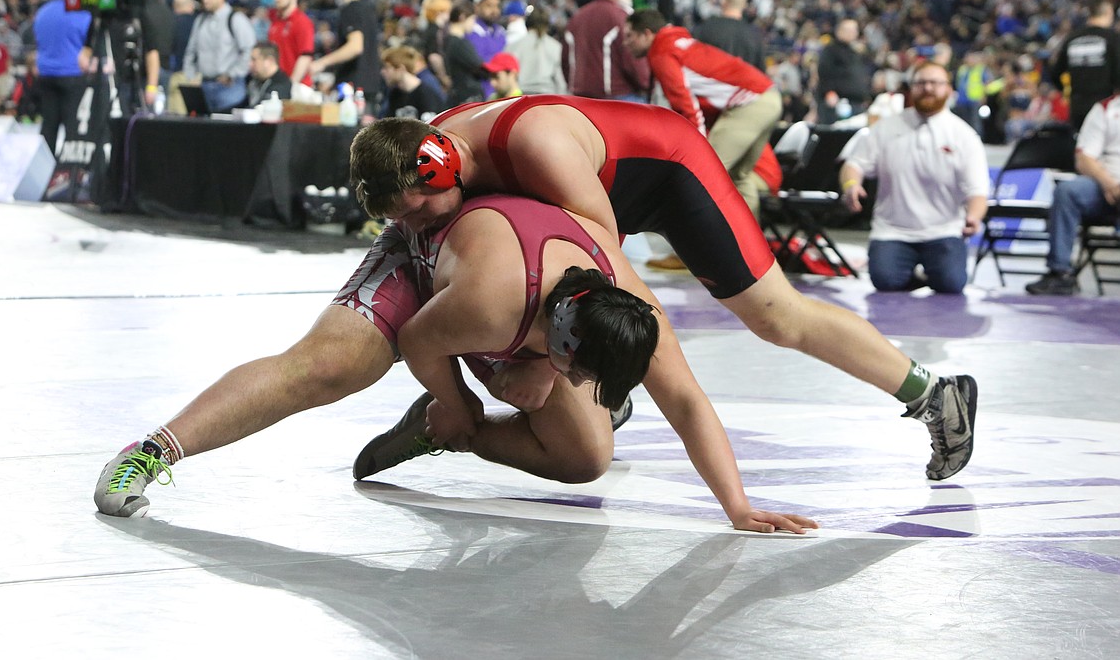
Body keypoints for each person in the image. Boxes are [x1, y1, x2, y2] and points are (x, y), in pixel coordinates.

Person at [93, 169, 814, 534]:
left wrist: (737, 505)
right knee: (324, 369)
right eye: (587, 376)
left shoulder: (625, 304)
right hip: (427, 267)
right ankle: (152, 450)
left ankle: (447, 437)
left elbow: (685, 398)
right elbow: (415, 339)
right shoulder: (492, 301)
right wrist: (458, 399)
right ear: (560, 343)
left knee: (586, 458)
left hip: (519, 315)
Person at [351, 100, 978, 483]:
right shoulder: (428, 155)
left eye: (418, 209)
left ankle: (934, 392)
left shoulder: (531, 146)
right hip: (594, 191)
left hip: (667, 173)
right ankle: (593, 398)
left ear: (443, 166)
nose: (415, 226)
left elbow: (602, 255)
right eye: (399, 218)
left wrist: (555, 358)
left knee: (776, 317)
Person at [839, 62, 990, 294]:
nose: (928, 88)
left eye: (935, 83)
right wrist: (851, 185)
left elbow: (978, 190)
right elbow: (853, 164)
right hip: (892, 230)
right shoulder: (885, 128)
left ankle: (933, 269)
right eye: (921, 83)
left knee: (951, 283)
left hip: (943, 230)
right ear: (911, 89)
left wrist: (973, 217)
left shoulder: (964, 136)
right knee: (885, 280)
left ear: (949, 90)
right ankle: (910, 271)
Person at [624, 8, 782, 219]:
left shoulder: (662, 51)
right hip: (768, 96)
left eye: (629, 36)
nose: (626, 43)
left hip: (748, 103)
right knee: (739, 177)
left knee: (703, 175)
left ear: (646, 33)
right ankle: (751, 248)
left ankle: (708, 247)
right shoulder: (678, 41)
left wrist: (696, 146)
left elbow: (686, 104)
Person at [1025, 94, 1120, 295]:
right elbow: (1084, 159)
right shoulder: (1105, 109)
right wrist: (1110, 185)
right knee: (1067, 192)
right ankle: (1060, 273)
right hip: (1104, 187)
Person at [561, 0, 649, 102]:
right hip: (619, 97)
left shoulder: (577, 17)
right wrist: (646, 83)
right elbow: (633, 57)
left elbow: (565, 59)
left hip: (580, 97)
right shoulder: (622, 17)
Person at [310, 0, 382, 108]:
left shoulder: (351, 9)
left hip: (354, 91)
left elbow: (355, 47)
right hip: (368, 86)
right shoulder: (367, 7)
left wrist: (321, 63)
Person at [1047, 0, 1120, 131]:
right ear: (1108, 12)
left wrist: (1067, 92)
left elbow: (1055, 73)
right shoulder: (1112, 38)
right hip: (1104, 107)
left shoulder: (1073, 38)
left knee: (1081, 147)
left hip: (1077, 107)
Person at [33, 0, 91, 158]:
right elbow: (88, 41)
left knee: (48, 126)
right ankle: (68, 167)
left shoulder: (43, 12)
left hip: (45, 75)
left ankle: (43, 165)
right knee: (73, 126)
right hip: (72, 74)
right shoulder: (81, 13)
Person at [182, 0, 255, 112]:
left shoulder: (236, 19)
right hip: (204, 85)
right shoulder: (201, 20)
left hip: (230, 88)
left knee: (227, 129)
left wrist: (233, 73)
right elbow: (190, 52)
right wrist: (190, 76)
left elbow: (249, 51)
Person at [693, 0, 765, 70]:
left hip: (711, 81)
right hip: (740, 83)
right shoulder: (754, 37)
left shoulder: (705, 28)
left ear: (723, 0)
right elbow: (760, 76)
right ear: (744, 5)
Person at [816, 18, 873, 123]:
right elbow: (824, 71)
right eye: (850, 30)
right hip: (839, 102)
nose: (854, 33)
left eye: (855, 30)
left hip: (856, 103)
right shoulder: (831, 50)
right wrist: (829, 92)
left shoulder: (854, 52)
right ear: (840, 31)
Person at [505, 5, 566, 96]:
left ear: (527, 24)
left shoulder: (513, 46)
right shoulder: (556, 47)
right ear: (547, 25)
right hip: (548, 98)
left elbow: (506, 78)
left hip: (521, 97)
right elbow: (560, 83)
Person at [267, 0, 315, 86]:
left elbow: (305, 56)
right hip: (278, 84)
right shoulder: (275, 23)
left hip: (297, 87)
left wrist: (291, 85)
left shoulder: (302, 22)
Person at [380, 45, 445, 121]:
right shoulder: (395, 94)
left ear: (400, 69)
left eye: (387, 68)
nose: (383, 72)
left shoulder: (426, 94)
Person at [465, 0, 507, 98]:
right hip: (478, 93)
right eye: (489, 5)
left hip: (500, 92)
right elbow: (479, 63)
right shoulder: (471, 29)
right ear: (477, 6)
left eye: (497, 6)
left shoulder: (500, 31)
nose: (494, 10)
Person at [443, 0, 486, 105]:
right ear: (462, 17)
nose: (474, 24)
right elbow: (479, 66)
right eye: (472, 19)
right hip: (467, 95)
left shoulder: (447, 40)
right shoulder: (459, 43)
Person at [244, 41, 293, 107]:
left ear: (269, 60)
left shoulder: (281, 86)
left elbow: (261, 109)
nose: (250, 64)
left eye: (254, 60)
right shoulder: (254, 80)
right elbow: (243, 105)